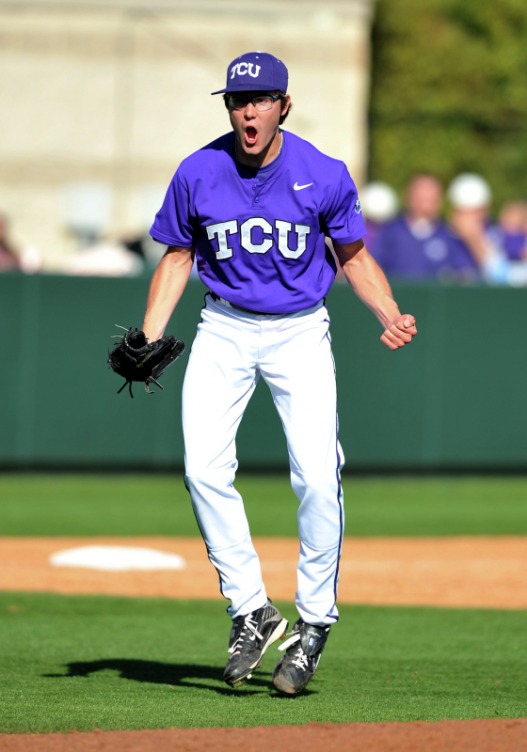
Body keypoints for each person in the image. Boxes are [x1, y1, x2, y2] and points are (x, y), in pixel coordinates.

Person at [141, 51, 417, 695]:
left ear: (283, 105)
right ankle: (252, 611)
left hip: (299, 330)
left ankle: (314, 624)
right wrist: (151, 330)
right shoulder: (198, 170)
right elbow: (178, 255)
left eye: (262, 99)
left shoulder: (321, 172)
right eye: (239, 100)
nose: (248, 111)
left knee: (318, 478)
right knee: (203, 469)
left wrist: (388, 311)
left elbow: (352, 254)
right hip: (225, 324)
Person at [372, 174, 477, 282]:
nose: (425, 205)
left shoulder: (450, 235)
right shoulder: (390, 233)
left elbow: (465, 273)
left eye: (430, 198)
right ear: (408, 197)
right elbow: (372, 266)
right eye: (420, 197)